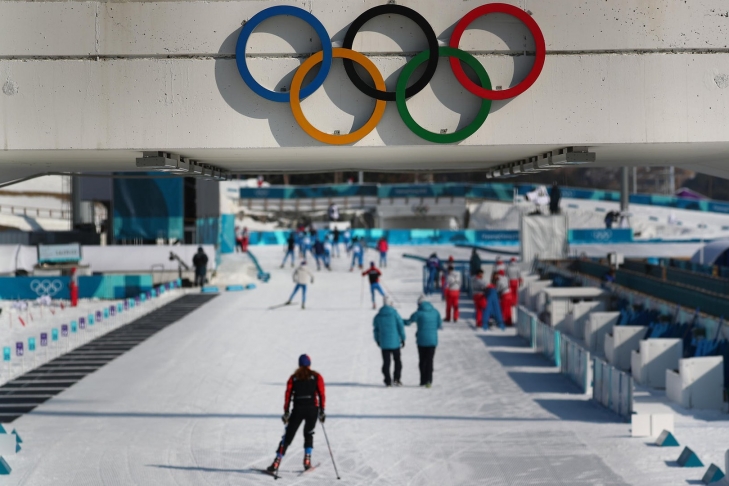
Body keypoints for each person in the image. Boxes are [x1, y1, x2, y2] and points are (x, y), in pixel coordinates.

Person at [266, 354, 326, 475]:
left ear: (299, 364)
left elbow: (288, 394)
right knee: (308, 433)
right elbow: (321, 393)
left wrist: (286, 412)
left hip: (298, 410)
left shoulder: (293, 378)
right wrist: (322, 410)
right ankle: (307, 461)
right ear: (309, 364)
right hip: (312, 410)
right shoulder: (317, 376)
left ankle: (276, 462)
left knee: (288, 436)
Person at [405, 295, 442, 388]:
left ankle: (422, 380)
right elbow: (439, 325)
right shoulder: (436, 312)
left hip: (421, 340)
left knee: (422, 360)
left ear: (419, 304)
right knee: (430, 360)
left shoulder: (418, 313)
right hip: (432, 340)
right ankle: (429, 380)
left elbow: (409, 322)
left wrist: (399, 321)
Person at [373, 297, 406, 387]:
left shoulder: (378, 316)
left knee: (386, 362)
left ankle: (388, 381)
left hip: (384, 344)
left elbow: (376, 330)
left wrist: (377, 340)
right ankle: (396, 379)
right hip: (395, 343)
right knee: (397, 361)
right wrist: (403, 338)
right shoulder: (395, 314)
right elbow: (401, 326)